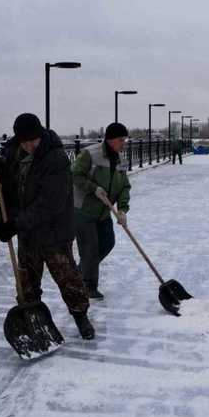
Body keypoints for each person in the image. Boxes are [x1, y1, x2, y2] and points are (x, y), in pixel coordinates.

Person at [0, 113, 94, 339]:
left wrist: (15, 223)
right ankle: (32, 319)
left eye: (33, 140)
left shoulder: (57, 158)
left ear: (41, 134)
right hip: (27, 231)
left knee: (67, 278)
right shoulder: (14, 151)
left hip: (54, 231)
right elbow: (10, 183)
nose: (29, 145)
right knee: (27, 281)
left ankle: (81, 317)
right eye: (24, 141)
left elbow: (51, 203)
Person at [71, 122, 131, 300]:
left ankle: (80, 272)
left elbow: (124, 186)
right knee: (90, 248)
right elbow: (74, 174)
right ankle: (88, 286)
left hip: (104, 211)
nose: (124, 143)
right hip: (83, 209)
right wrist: (93, 188)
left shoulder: (120, 159)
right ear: (110, 140)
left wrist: (122, 210)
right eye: (121, 140)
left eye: (124, 140)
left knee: (107, 242)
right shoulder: (91, 154)